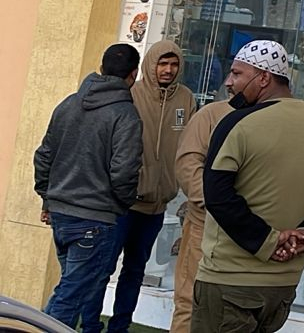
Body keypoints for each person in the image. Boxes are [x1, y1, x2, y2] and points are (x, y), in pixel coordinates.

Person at [194, 41, 304, 333]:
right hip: (284, 284)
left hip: (229, 279)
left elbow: (217, 195)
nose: (229, 82)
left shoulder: (236, 123)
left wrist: (268, 241)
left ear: (263, 77)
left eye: (237, 73)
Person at [34, 44, 145, 331]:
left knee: (69, 290)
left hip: (63, 213)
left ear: (101, 67)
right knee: (70, 297)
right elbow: (124, 170)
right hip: (94, 217)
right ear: (133, 75)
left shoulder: (68, 104)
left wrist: (47, 198)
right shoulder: (125, 115)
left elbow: (44, 156)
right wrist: (122, 204)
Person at [95, 41, 197, 333]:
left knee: (135, 271)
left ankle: (120, 327)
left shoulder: (186, 99)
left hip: (157, 206)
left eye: (174, 64)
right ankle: (90, 324)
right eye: (162, 63)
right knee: (103, 269)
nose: (168, 70)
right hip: (123, 204)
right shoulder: (131, 93)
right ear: (150, 64)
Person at [170, 90, 239, 333]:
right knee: (190, 300)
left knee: (237, 308)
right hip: (205, 224)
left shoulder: (274, 117)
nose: (230, 81)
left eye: (238, 74)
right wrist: (216, 204)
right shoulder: (210, 114)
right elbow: (188, 163)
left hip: (252, 233)